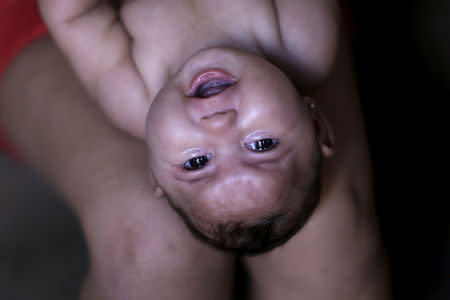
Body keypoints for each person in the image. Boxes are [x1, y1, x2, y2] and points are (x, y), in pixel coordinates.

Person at [0, 0, 390, 298]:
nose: (218, 127)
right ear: (316, 122)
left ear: (155, 169)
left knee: (155, 253)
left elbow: (79, 18)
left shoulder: (132, 95)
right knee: (334, 223)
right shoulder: (304, 41)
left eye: (198, 161)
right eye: (261, 144)